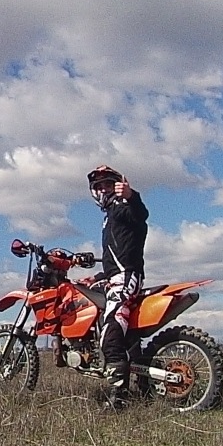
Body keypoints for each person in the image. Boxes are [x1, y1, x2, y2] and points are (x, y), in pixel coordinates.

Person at [86, 165, 149, 409]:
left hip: (126, 278)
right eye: (99, 186)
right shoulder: (110, 216)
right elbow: (117, 257)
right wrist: (96, 278)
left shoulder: (123, 209)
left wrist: (132, 196)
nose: (103, 189)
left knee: (110, 335)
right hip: (116, 277)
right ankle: (140, 380)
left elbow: (140, 215)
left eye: (108, 184)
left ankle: (119, 397)